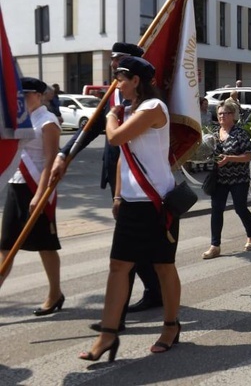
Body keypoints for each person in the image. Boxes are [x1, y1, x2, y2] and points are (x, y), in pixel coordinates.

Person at [50, 43, 162, 331]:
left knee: (128, 248)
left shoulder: (148, 99)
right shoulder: (114, 94)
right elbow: (90, 130)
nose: (114, 66)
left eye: (120, 61)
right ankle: (154, 293)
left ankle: (119, 318)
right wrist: (65, 154)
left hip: (141, 177)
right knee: (136, 246)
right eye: (114, 61)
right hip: (121, 173)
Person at [80, 57, 180, 361]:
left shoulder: (153, 109)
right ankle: (107, 336)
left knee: (163, 267)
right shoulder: (132, 111)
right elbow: (125, 155)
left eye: (120, 78)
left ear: (136, 81)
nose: (116, 84)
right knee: (118, 267)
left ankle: (171, 327)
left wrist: (112, 116)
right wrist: (119, 196)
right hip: (133, 205)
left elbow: (116, 137)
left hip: (157, 203)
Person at [0, 77, 63, 315]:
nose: (24, 99)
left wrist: (39, 193)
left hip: (37, 187)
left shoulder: (47, 122)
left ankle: (55, 293)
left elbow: (50, 160)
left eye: (28, 94)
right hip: (17, 186)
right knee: (6, 245)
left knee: (45, 246)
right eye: (21, 95)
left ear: (39, 95)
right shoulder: (19, 120)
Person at [202, 99, 251, 259]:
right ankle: (215, 245)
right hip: (219, 179)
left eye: (225, 113)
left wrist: (229, 158)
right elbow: (209, 154)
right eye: (219, 114)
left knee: (240, 208)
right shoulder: (213, 133)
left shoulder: (240, 133)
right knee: (216, 210)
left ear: (232, 115)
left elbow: (247, 157)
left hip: (238, 178)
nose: (221, 116)